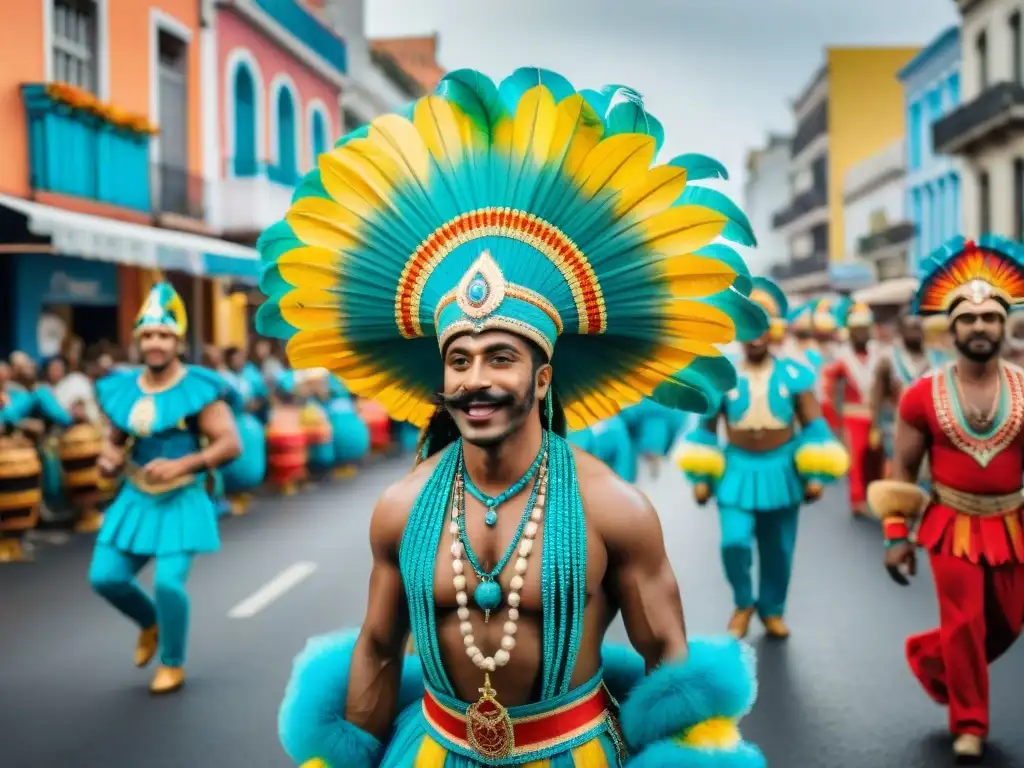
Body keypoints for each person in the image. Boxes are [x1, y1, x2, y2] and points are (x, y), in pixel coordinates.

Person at [257, 67, 768, 766]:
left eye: (501, 357)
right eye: (459, 360)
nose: (476, 380)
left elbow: (670, 666)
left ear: (543, 375)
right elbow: (378, 649)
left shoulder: (614, 510)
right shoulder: (402, 508)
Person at [869, 235, 1024, 763]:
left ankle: (930, 657)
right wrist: (896, 538)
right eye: (968, 318)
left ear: (1005, 325)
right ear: (951, 327)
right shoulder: (921, 395)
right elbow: (903, 471)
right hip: (949, 523)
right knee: (965, 624)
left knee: (1007, 623)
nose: (979, 326)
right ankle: (970, 724)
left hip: (1013, 524)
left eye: (990, 317)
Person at [89, 281, 241, 694]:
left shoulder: (200, 389)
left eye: (164, 335)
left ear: (177, 341)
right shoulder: (124, 389)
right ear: (139, 340)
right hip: (135, 498)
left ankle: (172, 661)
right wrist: (107, 459)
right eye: (148, 335)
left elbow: (231, 444)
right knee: (104, 577)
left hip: (182, 499)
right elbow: (115, 441)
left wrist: (184, 463)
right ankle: (150, 623)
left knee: (168, 583)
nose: (155, 343)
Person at [676, 277, 848, 640]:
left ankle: (772, 609)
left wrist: (816, 473)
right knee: (733, 542)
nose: (755, 335)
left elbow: (815, 428)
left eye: (762, 326)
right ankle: (743, 603)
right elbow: (705, 429)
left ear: (775, 331)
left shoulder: (796, 375)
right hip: (736, 469)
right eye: (748, 326)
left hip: (783, 471)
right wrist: (701, 477)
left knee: (779, 550)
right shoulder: (721, 376)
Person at [822, 302, 883, 516]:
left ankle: (878, 497)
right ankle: (857, 500)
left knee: (879, 460)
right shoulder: (842, 358)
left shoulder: (881, 354)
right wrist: (833, 419)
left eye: (864, 328)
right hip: (853, 417)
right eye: (856, 329)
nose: (861, 334)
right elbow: (827, 386)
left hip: (878, 417)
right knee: (856, 462)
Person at [869, 312, 935, 481]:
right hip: (893, 427)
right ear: (901, 331)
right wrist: (875, 426)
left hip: (928, 427)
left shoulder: (935, 359)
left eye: (917, 329)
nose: (914, 333)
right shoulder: (889, 360)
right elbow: (878, 393)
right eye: (909, 329)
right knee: (897, 469)